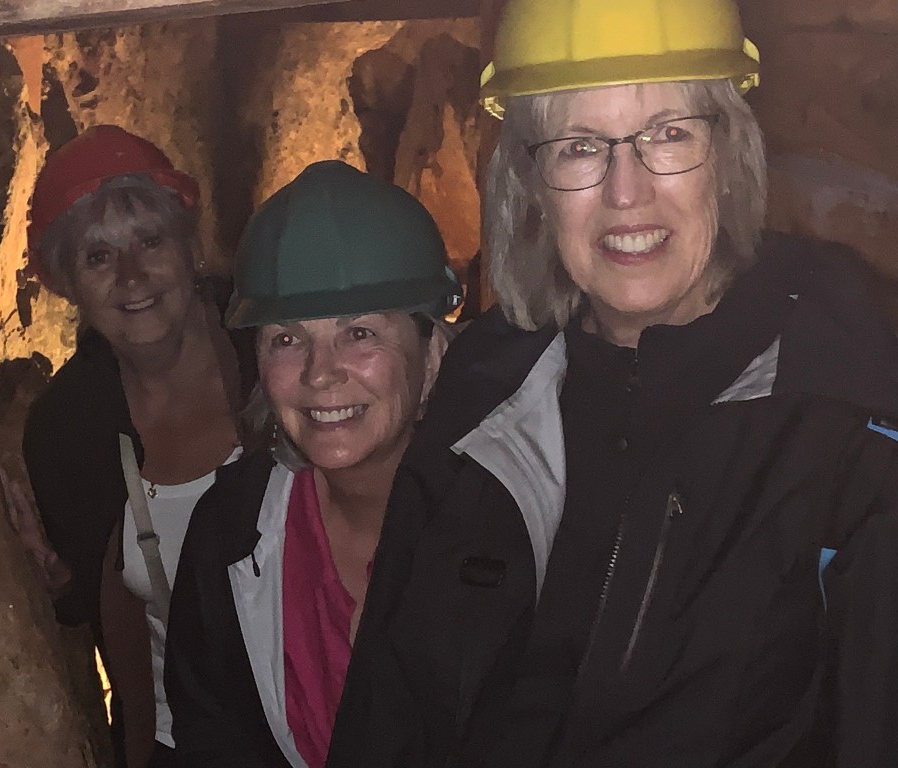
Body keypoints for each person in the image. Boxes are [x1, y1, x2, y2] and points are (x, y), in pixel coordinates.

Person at [329, 1, 898, 766]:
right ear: (531, 180)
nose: (626, 192)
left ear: (728, 155)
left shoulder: (846, 418)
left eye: (669, 134)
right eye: (579, 147)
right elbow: (387, 713)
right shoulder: (484, 392)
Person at [164, 160, 461, 768]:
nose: (320, 374)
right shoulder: (230, 530)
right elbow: (210, 741)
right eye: (286, 339)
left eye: (360, 334)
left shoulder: (502, 528)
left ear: (431, 355)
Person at [17, 125, 244, 768]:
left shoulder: (273, 355)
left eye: (150, 241)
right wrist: (55, 580)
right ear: (68, 285)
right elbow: (98, 604)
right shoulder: (70, 429)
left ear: (190, 249)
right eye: (98, 257)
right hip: (183, 746)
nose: (132, 276)